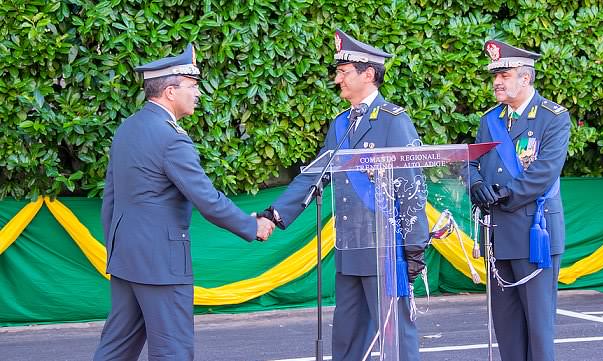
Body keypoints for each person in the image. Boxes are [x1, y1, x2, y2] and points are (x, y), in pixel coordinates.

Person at [93, 43, 275, 361]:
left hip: (126, 258)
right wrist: (252, 225)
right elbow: (207, 199)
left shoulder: (127, 128)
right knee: (172, 350)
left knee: (115, 349)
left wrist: (116, 248)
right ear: (170, 91)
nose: (198, 94)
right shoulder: (171, 138)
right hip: (162, 263)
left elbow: (111, 198)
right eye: (192, 86)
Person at [259, 29, 429, 361]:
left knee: (398, 340)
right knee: (347, 339)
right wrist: (274, 214)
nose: (337, 79)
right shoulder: (341, 124)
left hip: (386, 250)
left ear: (369, 74)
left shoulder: (394, 121)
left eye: (343, 72)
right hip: (351, 247)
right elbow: (316, 174)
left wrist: (414, 246)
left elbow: (412, 188)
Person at [468, 39, 571, 361]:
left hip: (533, 232)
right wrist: (476, 185)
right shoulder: (490, 120)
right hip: (498, 232)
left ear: (525, 78)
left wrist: (502, 196)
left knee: (538, 328)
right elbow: (472, 162)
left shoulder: (553, 117)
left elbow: (544, 172)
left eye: (506, 75)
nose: (497, 82)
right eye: (495, 76)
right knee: (507, 325)